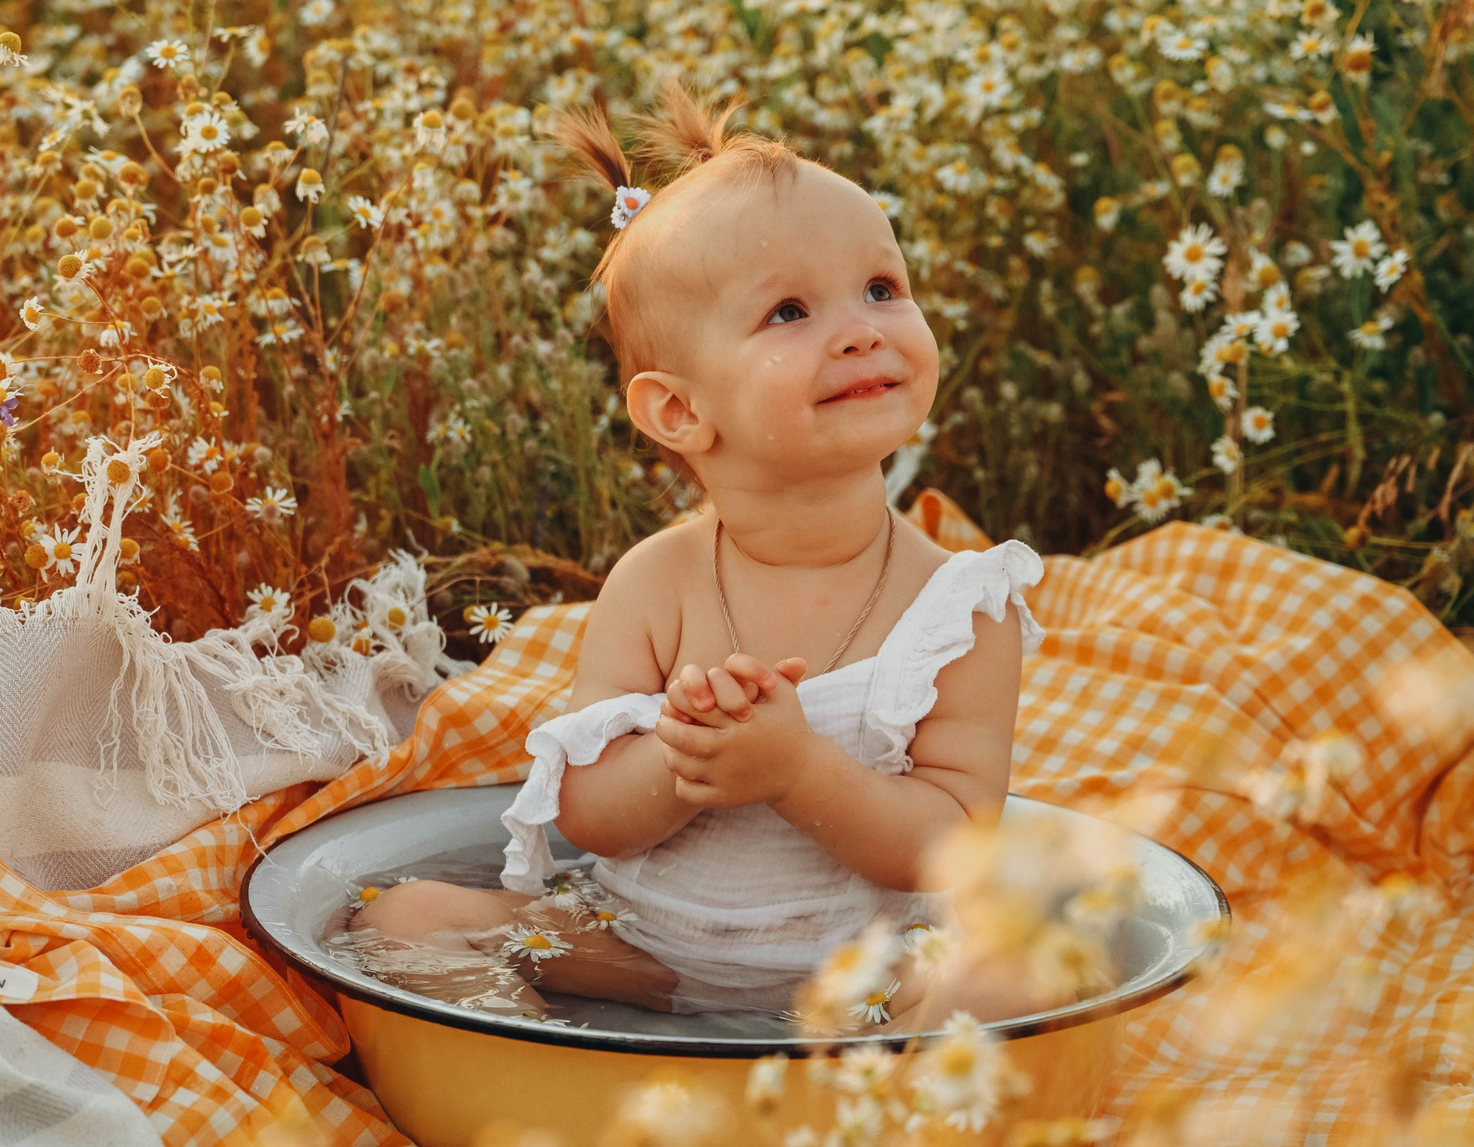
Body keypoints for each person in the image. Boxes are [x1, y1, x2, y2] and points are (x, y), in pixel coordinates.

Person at [351, 85, 1048, 1031]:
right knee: (407, 917)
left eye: (882, 289)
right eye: (790, 311)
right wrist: (685, 759)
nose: (860, 328)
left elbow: (957, 845)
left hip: (871, 966)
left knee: (1012, 978)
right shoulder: (658, 583)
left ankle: (855, 1105)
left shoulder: (961, 607)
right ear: (679, 410)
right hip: (644, 950)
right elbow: (587, 815)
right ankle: (557, 1068)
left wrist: (797, 769)